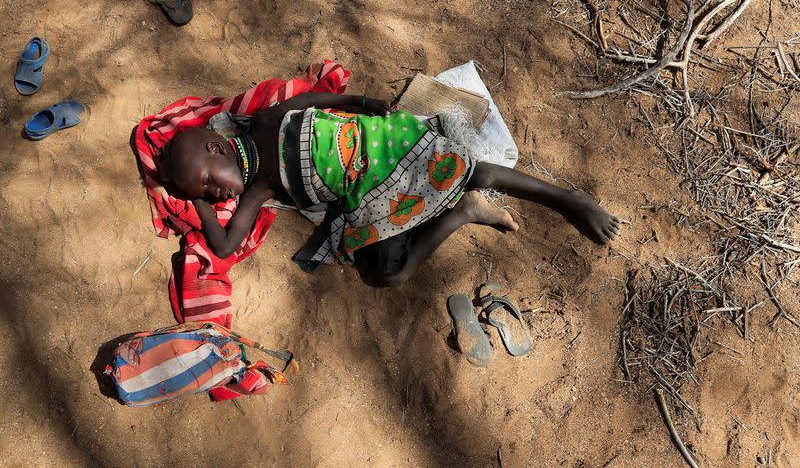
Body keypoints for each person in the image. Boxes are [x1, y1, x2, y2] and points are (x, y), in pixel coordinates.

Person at [156, 92, 620, 287]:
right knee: (384, 276)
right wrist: (194, 198)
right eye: (206, 196)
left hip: (384, 145)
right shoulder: (258, 187)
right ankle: (462, 214)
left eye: (207, 183)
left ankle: (569, 199)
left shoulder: (263, 120)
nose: (215, 197)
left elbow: (313, 101)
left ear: (218, 145)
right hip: (370, 190)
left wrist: (362, 103)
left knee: (474, 170)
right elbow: (222, 245)